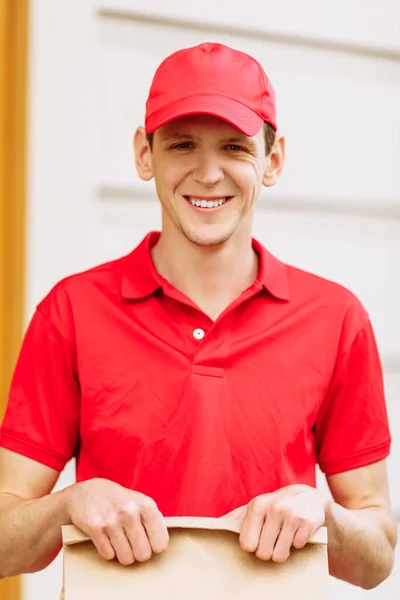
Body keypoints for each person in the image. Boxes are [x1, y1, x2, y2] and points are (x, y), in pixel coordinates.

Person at [0, 42, 397, 590]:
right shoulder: (70, 312)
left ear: (273, 159)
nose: (208, 173)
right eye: (182, 144)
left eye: (234, 147)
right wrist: (70, 503)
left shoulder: (336, 319)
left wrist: (325, 516)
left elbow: (378, 554)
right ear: (145, 154)